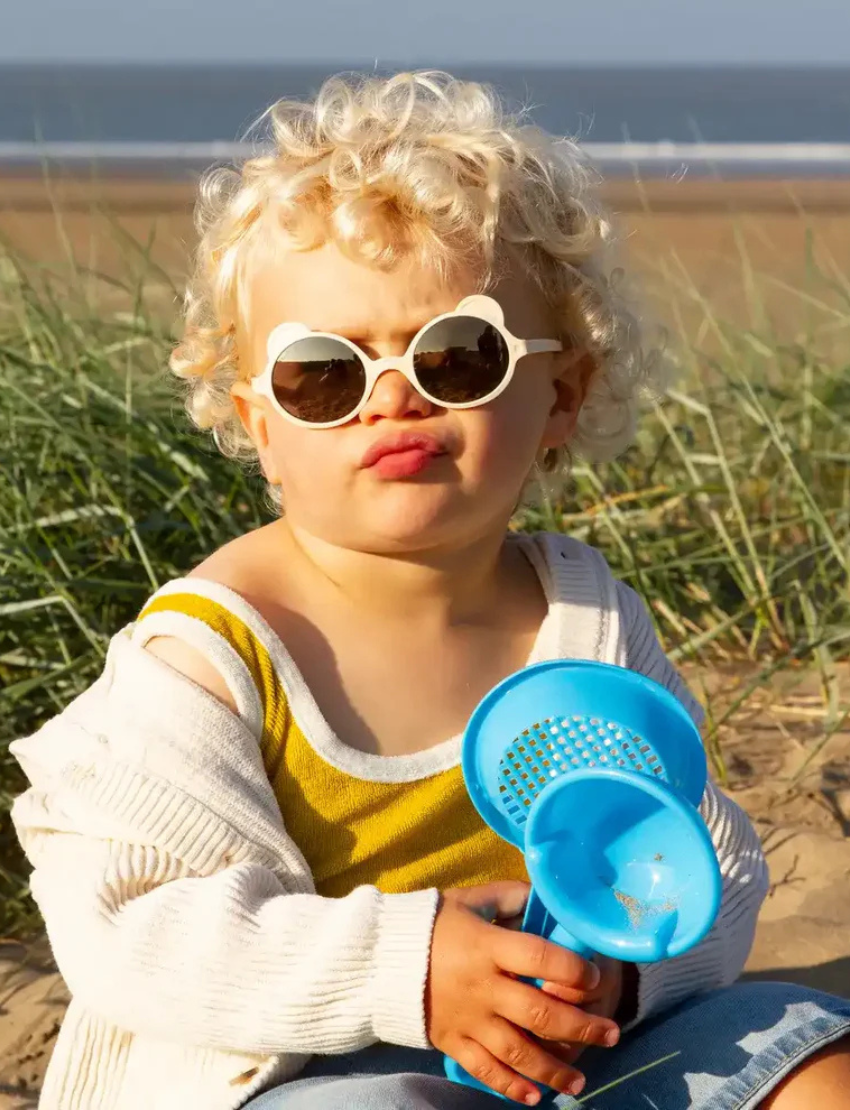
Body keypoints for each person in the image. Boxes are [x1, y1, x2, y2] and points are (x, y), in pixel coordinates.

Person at [10, 70, 850, 1110]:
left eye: (458, 357)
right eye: (323, 373)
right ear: (260, 423)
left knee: (807, 1059)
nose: (391, 397)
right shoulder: (210, 655)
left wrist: (620, 978)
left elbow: (704, 858)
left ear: (562, 395)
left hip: (574, 1042)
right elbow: (134, 927)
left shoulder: (581, 618)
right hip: (298, 1069)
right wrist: (406, 970)